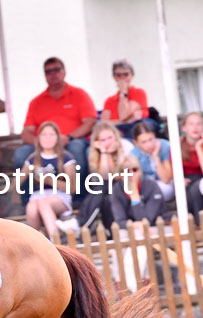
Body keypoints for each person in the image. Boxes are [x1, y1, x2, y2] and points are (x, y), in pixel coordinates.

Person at [15, 57, 96, 188]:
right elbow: (26, 132)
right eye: (48, 72)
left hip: (72, 140)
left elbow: (90, 122)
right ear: (45, 75)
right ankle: (27, 200)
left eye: (56, 70)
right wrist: (42, 142)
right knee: (21, 154)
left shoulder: (79, 94)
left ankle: (78, 197)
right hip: (43, 144)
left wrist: (68, 137)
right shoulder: (36, 102)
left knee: (76, 148)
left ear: (64, 72)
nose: (52, 74)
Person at [22, 122, 76, 237]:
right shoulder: (33, 159)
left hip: (60, 196)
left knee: (44, 204)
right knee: (31, 207)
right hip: (38, 195)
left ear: (57, 137)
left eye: (51, 134)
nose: (47, 138)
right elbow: (17, 183)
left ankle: (55, 240)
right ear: (38, 138)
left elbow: (72, 188)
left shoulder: (66, 158)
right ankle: (35, 242)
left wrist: (49, 181)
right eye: (44, 135)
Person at [78, 121, 128, 230]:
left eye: (110, 138)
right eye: (103, 140)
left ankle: (81, 224)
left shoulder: (125, 146)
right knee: (105, 197)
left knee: (103, 188)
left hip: (127, 186)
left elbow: (121, 176)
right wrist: (105, 152)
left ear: (116, 136)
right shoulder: (95, 152)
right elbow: (105, 176)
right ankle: (110, 232)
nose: (107, 142)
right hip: (109, 189)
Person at [111, 154, 167, 229]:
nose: (131, 174)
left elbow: (147, 220)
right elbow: (120, 220)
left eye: (135, 169)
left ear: (140, 171)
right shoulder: (116, 190)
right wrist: (134, 225)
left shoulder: (151, 186)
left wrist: (135, 198)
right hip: (131, 231)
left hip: (157, 228)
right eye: (126, 171)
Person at [101, 60, 155, 137]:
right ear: (114, 77)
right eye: (118, 75)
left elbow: (123, 115)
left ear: (131, 76)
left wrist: (123, 93)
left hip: (135, 133)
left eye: (126, 74)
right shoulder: (110, 100)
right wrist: (127, 121)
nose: (122, 78)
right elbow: (104, 123)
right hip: (115, 134)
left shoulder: (139, 92)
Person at [129, 122, 173, 201]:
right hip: (147, 186)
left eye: (151, 139)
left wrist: (155, 156)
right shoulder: (133, 154)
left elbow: (166, 179)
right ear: (136, 143)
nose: (149, 145)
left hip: (167, 184)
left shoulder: (165, 146)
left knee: (163, 188)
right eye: (144, 142)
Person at [180, 111, 203, 224]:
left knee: (195, 188)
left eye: (199, 124)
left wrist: (199, 148)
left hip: (201, 178)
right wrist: (179, 179)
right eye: (191, 124)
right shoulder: (178, 144)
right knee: (184, 190)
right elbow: (173, 167)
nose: (196, 127)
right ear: (184, 127)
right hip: (186, 177)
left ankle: (199, 224)